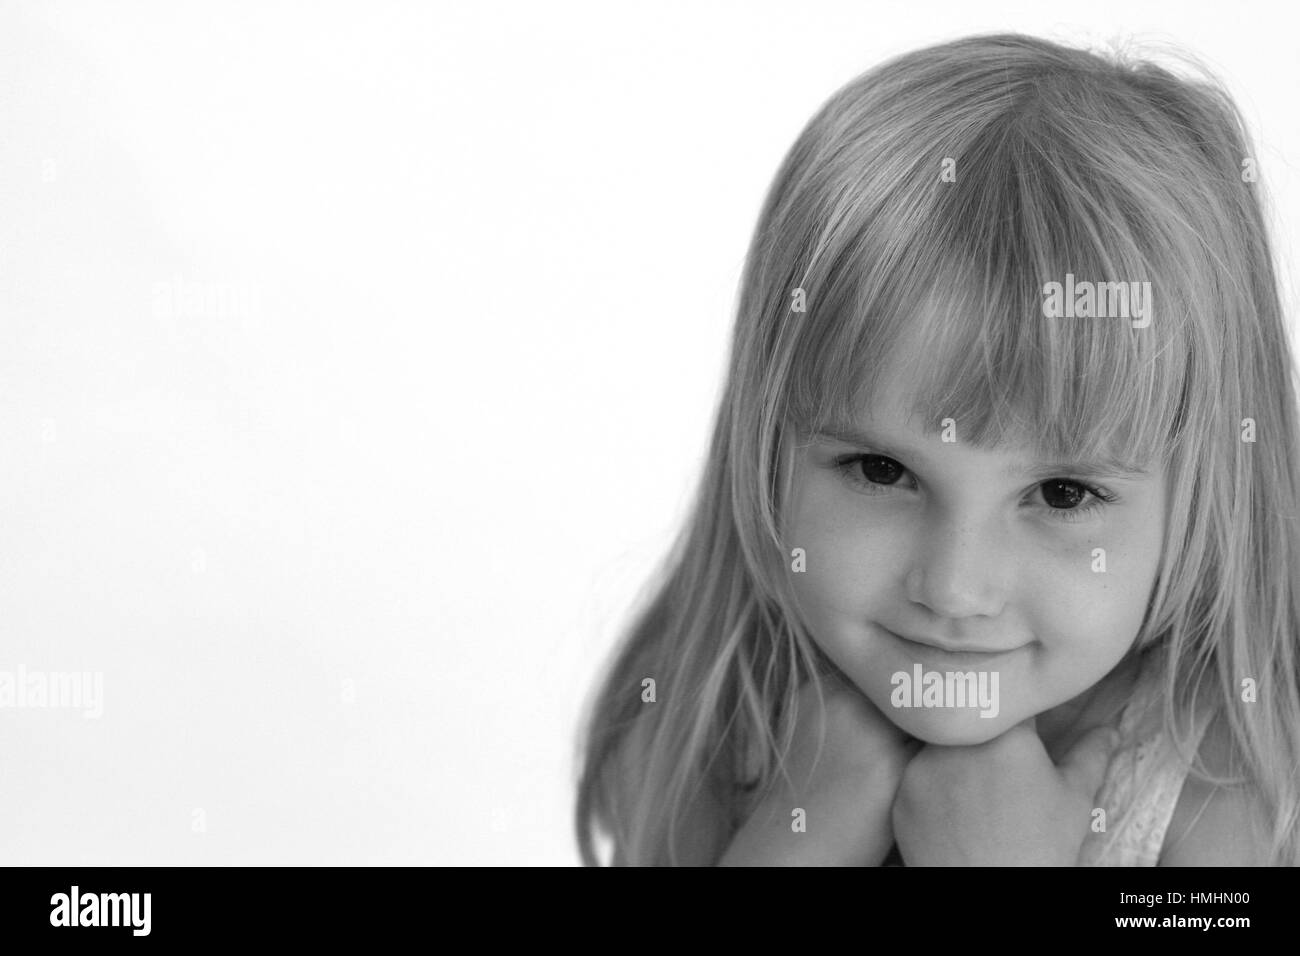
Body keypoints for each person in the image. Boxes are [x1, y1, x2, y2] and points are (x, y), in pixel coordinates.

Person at [574, 33, 1300, 866]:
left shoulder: (1241, 794)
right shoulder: (704, 726)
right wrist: (803, 831)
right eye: (882, 471)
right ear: (767, 450)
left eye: (1062, 494)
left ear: (1208, 492)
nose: (955, 590)